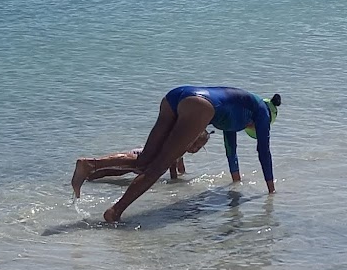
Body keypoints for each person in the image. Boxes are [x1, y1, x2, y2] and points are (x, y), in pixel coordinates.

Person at [91, 86, 281, 223]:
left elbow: (230, 149)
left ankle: (92, 168)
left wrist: (235, 180)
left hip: (177, 95)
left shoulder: (238, 112)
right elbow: (264, 151)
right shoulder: (262, 112)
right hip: (200, 105)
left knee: (145, 159)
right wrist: (271, 191)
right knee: (158, 166)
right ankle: (115, 211)